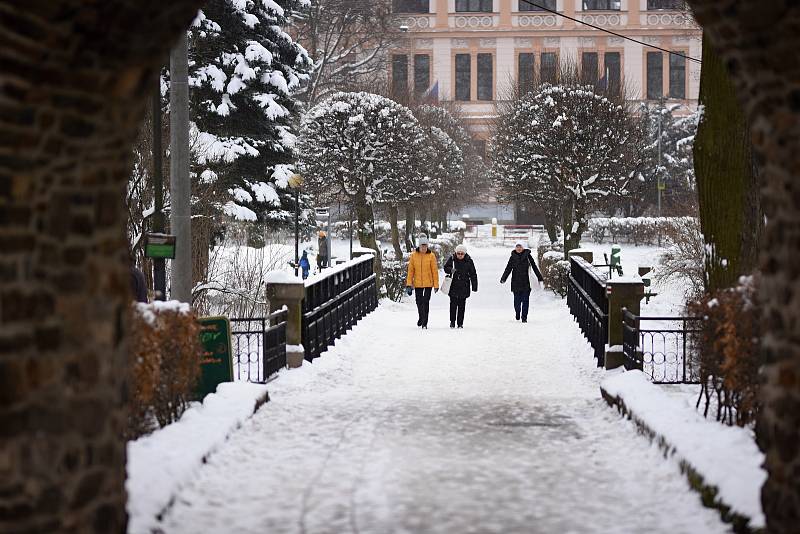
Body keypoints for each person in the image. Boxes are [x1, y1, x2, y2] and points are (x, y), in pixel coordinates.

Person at [500, 240, 544, 323]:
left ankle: (524, 317)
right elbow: (508, 268)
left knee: (525, 301)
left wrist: (539, 277)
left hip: (526, 282)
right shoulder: (512, 257)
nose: (519, 248)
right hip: (515, 282)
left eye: (520, 247)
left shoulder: (528, 256)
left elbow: (534, 267)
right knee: (517, 302)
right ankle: (517, 312)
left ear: (523, 247)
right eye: (517, 247)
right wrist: (503, 278)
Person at [405, 236, 439, 329]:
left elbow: (434, 271)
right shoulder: (413, 255)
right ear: (419, 246)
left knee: (425, 302)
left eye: (425, 246)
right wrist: (409, 284)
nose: (424, 248)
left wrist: (436, 285)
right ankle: (421, 317)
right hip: (418, 283)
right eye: (422, 246)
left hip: (429, 283)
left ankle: (425, 322)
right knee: (419, 302)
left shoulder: (431, 255)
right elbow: (411, 271)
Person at [443, 244, 478, 329]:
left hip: (464, 286)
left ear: (465, 254)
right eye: (458, 253)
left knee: (462, 306)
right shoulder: (452, 259)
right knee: (453, 305)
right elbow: (445, 268)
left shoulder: (469, 261)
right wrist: (451, 270)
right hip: (453, 285)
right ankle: (452, 322)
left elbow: (473, 274)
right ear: (456, 253)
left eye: (462, 254)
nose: (460, 255)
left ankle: (460, 323)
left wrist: (474, 286)